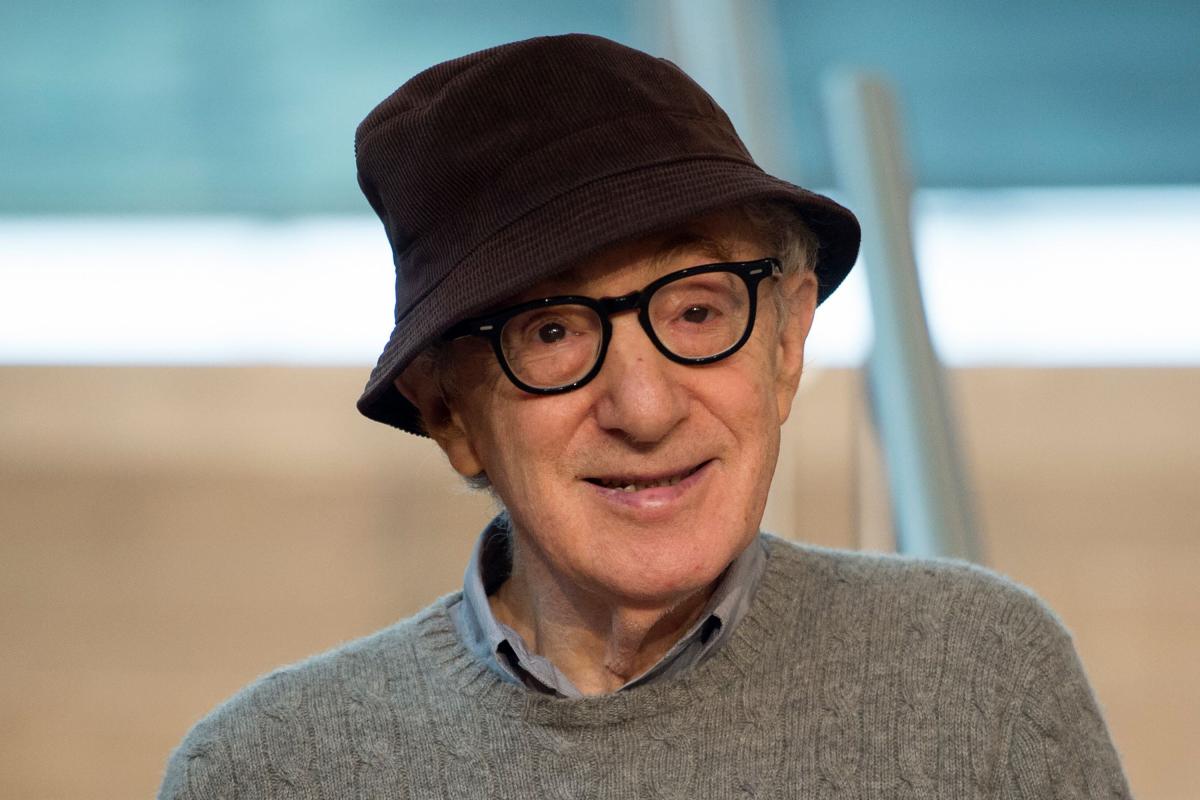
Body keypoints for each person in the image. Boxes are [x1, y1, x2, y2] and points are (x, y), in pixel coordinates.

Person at [159, 33, 1129, 798]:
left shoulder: (980, 680)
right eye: (552, 332)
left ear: (786, 342)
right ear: (448, 411)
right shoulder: (267, 773)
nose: (647, 406)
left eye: (697, 311)